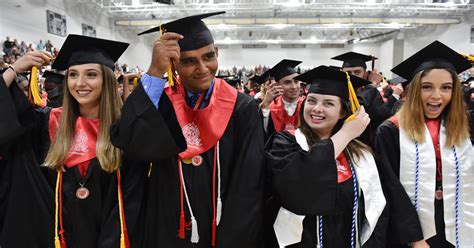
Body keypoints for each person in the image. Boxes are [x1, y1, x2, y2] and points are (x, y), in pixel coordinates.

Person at [110, 12, 265, 247]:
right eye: (189, 61)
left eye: (208, 56)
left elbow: (249, 183)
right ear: (174, 63)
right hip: (168, 225)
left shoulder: (242, 108)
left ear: (217, 52)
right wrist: (154, 72)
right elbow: (128, 140)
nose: (202, 68)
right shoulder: (161, 103)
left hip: (223, 226)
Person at [0, 34, 141, 248]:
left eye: (91, 75)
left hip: (108, 238)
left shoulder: (125, 131)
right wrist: (14, 69)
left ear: (107, 80)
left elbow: (131, 201)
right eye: (73, 75)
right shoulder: (45, 123)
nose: (80, 83)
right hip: (54, 238)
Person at [265, 65, 386, 247]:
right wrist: (345, 134)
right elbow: (297, 185)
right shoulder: (284, 143)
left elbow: (375, 208)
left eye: (328, 103)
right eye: (312, 101)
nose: (317, 109)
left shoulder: (359, 154)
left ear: (343, 112)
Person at [375, 40, 474, 248]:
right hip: (410, 227)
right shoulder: (391, 130)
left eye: (446, 88)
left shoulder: (464, 126)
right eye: (426, 87)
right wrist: (416, 239)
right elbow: (391, 188)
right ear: (412, 90)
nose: (436, 96)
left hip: (456, 221)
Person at [332, 52, 403, 146]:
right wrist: (372, 85)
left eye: (357, 72)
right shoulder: (336, 92)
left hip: (369, 144)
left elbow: (382, 114)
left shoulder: (372, 93)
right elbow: (354, 109)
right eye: (348, 73)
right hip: (344, 144)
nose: (352, 75)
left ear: (365, 74)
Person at [259, 59, 304, 137]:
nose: (294, 87)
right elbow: (263, 134)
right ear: (277, 85)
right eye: (287, 82)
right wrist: (265, 104)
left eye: (296, 81)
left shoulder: (306, 105)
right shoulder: (270, 107)